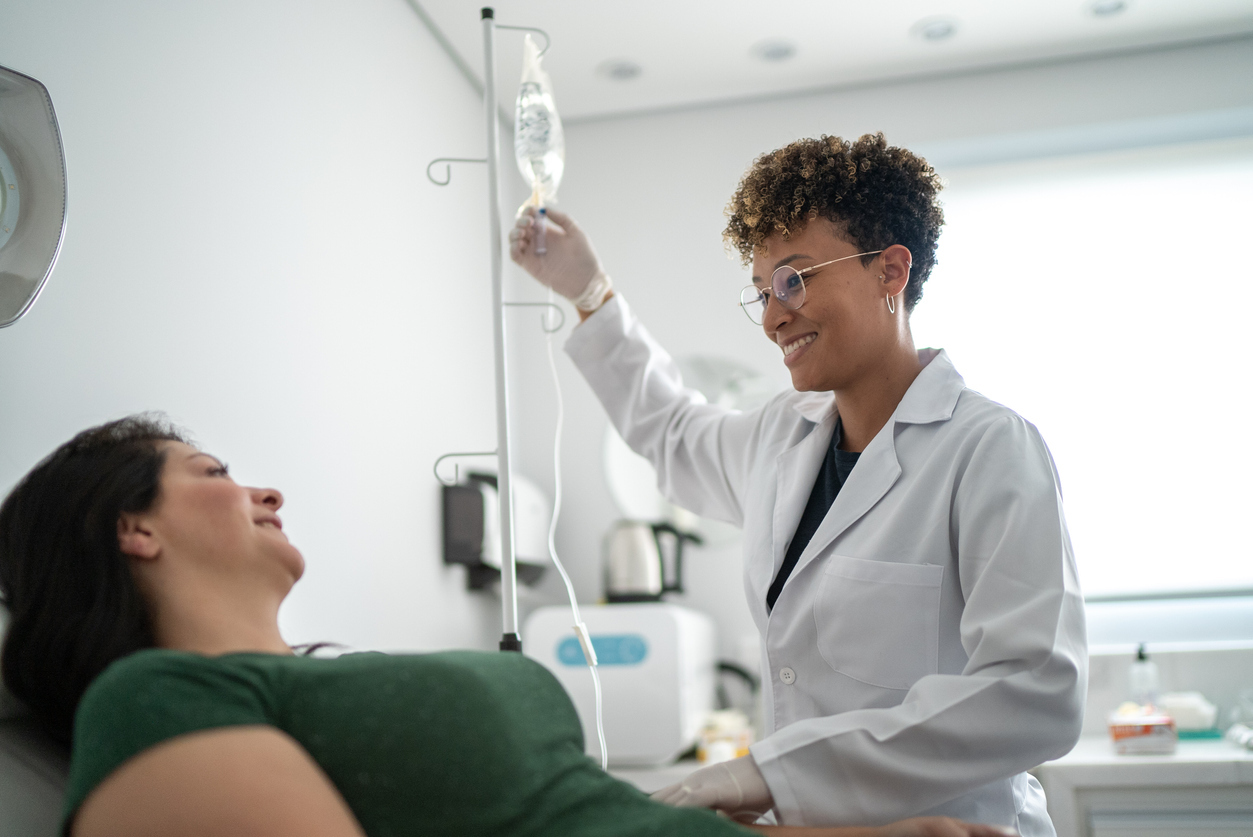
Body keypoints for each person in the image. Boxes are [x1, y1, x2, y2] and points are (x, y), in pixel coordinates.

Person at [0, 415, 1015, 837]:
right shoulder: (156, 699)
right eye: (213, 474)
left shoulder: (325, 683)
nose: (261, 488)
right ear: (128, 525)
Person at [508, 133, 1087, 834]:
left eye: (794, 278)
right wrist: (587, 290)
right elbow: (667, 427)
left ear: (890, 272)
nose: (773, 315)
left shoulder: (989, 448)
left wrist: (765, 772)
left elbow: (1034, 692)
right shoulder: (780, 438)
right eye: (761, 291)